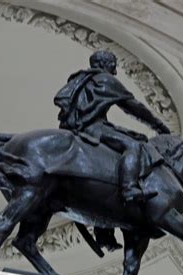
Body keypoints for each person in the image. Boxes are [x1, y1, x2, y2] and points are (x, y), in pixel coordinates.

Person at [54, 50, 170, 203]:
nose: (115, 71)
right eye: (112, 65)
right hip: (92, 128)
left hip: (71, 128)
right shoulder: (105, 80)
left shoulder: (79, 80)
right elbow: (133, 107)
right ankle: (129, 188)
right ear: (103, 64)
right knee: (134, 146)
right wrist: (159, 125)